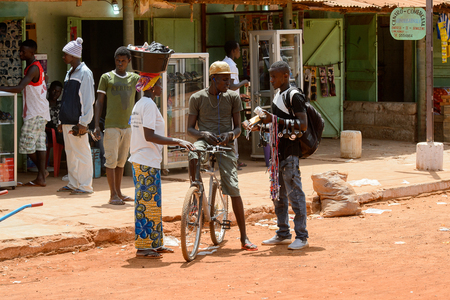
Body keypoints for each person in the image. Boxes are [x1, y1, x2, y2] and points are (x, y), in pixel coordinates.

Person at [187, 61, 257, 251]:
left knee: (233, 187)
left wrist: (230, 135)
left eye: (230, 79)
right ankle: (195, 191)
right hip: (205, 139)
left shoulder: (233, 97)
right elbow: (190, 129)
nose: (229, 83)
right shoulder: (197, 98)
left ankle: (244, 237)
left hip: (226, 143)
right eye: (225, 80)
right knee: (193, 151)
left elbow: (238, 128)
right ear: (213, 79)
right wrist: (204, 134)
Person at [129, 73, 194, 259]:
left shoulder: (141, 104)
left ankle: (155, 243)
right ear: (151, 86)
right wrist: (176, 141)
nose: (162, 88)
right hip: (146, 160)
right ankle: (144, 246)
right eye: (159, 85)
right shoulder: (148, 105)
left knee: (152, 204)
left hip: (145, 159)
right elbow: (149, 135)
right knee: (147, 204)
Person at [256, 61, 309, 250]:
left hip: (290, 153)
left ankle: (302, 236)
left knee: (295, 194)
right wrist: (261, 125)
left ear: (286, 76)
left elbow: (302, 124)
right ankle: (283, 232)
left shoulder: (294, 95)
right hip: (277, 153)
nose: (270, 80)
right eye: (269, 76)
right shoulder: (279, 95)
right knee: (278, 195)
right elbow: (278, 124)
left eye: (274, 77)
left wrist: (274, 119)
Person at [0, 39, 50, 187]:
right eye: (20, 50)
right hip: (41, 111)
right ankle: (41, 176)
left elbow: (19, 88)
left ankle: (42, 172)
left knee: (26, 146)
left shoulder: (34, 68)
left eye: (23, 51)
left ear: (32, 52)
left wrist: (1, 87)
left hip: (35, 113)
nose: (20, 53)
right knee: (40, 145)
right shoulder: (33, 67)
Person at [93, 46, 140, 205]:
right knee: (111, 161)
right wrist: (96, 125)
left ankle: (119, 192)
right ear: (114, 61)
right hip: (111, 125)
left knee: (121, 162)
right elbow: (99, 102)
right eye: (118, 61)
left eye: (123, 61)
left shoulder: (134, 78)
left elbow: (150, 83)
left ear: (129, 61)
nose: (120, 63)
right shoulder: (106, 77)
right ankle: (112, 194)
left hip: (128, 127)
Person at [57, 38, 95, 195]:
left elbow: (88, 100)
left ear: (73, 56)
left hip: (77, 122)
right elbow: (66, 98)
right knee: (70, 153)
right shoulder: (69, 73)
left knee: (82, 153)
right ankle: (73, 183)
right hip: (67, 120)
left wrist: (84, 122)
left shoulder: (85, 73)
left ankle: (85, 186)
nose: (63, 57)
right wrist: (61, 120)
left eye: (65, 54)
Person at [223, 40, 249, 170]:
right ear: (233, 51)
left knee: (230, 130)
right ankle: (234, 159)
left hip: (228, 101)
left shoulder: (224, 63)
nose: (239, 52)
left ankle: (232, 158)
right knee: (235, 130)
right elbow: (232, 86)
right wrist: (244, 82)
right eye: (238, 50)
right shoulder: (231, 65)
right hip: (231, 104)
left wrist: (240, 96)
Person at [46, 81, 64, 145]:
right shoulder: (45, 104)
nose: (55, 93)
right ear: (49, 90)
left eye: (58, 92)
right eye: (54, 90)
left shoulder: (61, 105)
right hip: (51, 133)